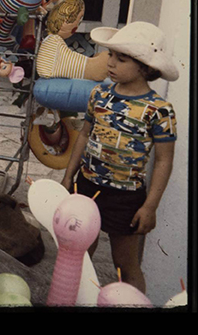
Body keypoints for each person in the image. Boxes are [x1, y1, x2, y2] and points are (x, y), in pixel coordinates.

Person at [61, 21, 179, 295]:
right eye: (110, 55)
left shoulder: (159, 111)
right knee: (78, 252)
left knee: (124, 263)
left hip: (125, 198)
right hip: (87, 187)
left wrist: (150, 206)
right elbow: (84, 135)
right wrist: (68, 176)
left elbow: (163, 161)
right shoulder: (99, 95)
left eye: (120, 58)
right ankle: (74, 299)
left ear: (145, 68)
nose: (110, 62)